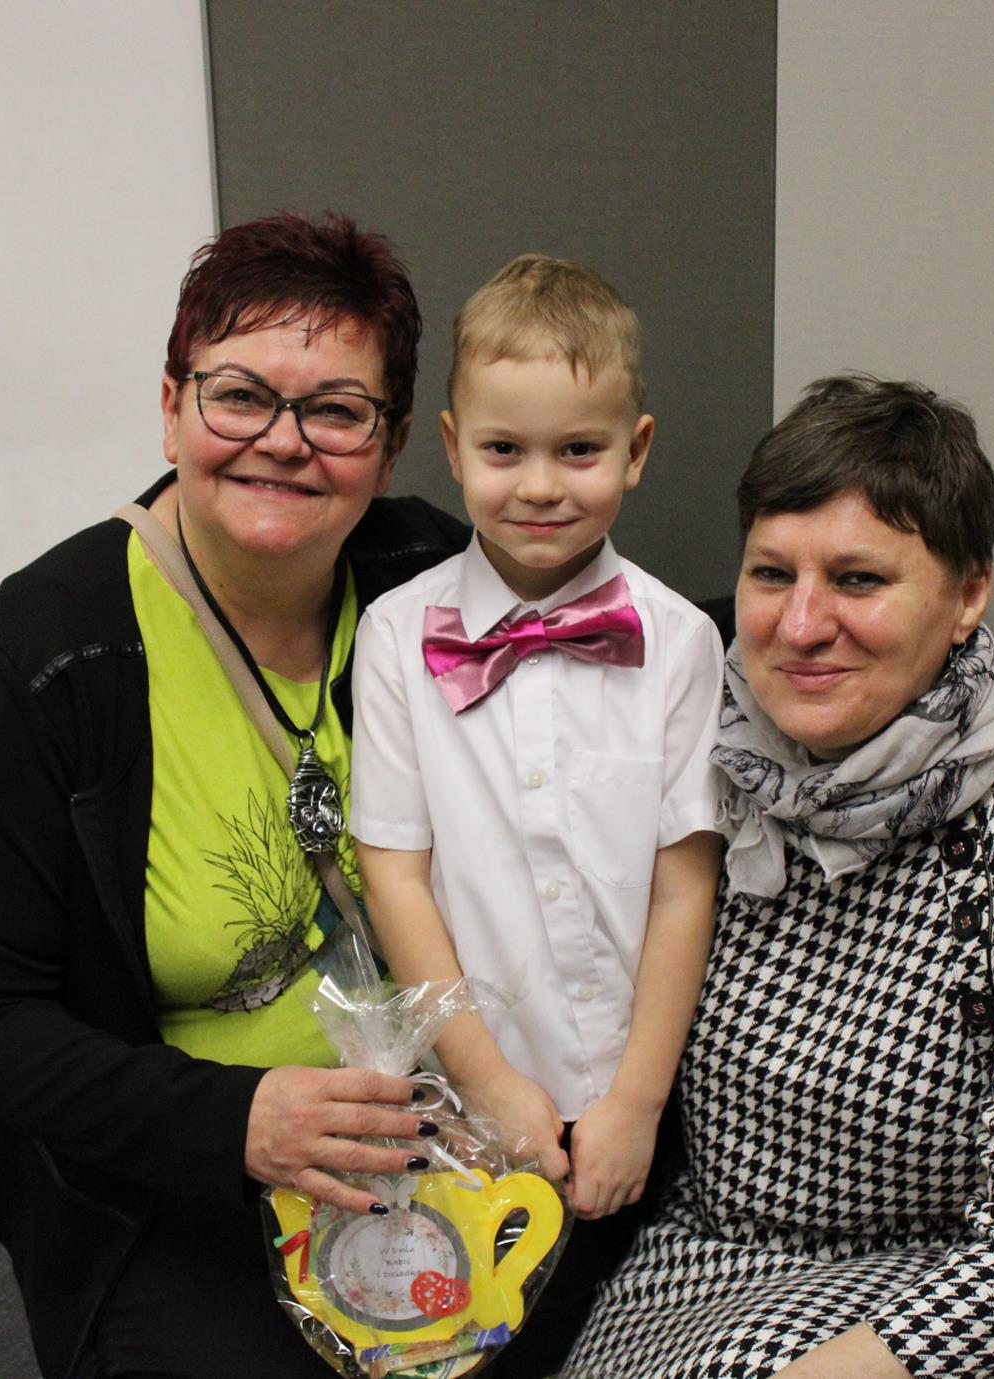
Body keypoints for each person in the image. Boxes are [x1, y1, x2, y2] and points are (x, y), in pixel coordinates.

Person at [0, 213, 473, 1379]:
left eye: (336, 410)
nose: (283, 441)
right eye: (240, 396)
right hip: (174, 1168)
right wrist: (239, 1120)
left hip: (442, 1111)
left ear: (392, 443)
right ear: (171, 407)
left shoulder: (424, 575)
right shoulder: (44, 656)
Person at [564, 375, 994, 1379]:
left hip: (938, 1293)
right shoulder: (697, 755)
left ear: (969, 596)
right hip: (692, 1268)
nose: (800, 624)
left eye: (859, 579)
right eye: (770, 573)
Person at [349, 255, 725, 1370]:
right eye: (505, 449)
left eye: (580, 450)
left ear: (636, 450)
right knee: (472, 1339)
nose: (541, 485)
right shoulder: (395, 635)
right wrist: (488, 1081)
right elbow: (394, 875)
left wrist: (636, 1101)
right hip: (469, 1090)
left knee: (622, 1337)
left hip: (637, 1094)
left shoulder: (679, 642)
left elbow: (684, 885)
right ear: (453, 445)